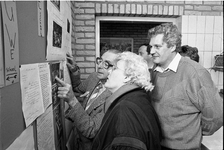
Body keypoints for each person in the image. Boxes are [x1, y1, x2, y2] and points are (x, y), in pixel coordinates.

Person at [147, 23, 223, 150]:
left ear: (172, 47)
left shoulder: (195, 73)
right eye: (151, 46)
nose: (151, 51)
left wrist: (192, 131)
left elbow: (216, 116)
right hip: (156, 145)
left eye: (157, 47)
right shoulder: (154, 71)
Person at [91, 51, 162, 150]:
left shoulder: (125, 110)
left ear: (127, 77)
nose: (109, 72)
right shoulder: (136, 98)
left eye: (115, 68)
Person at [56, 49, 121, 150]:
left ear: (117, 69)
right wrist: (74, 70)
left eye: (106, 64)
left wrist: (72, 101)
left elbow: (92, 131)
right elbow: (78, 87)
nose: (99, 66)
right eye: (100, 61)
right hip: (78, 141)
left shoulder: (115, 96)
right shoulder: (94, 77)